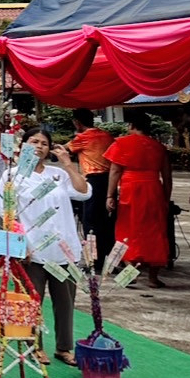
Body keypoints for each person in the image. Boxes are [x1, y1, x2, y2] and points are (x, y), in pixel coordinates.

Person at [6, 127, 88, 365]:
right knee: (32, 301)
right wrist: (22, 246)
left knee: (65, 302)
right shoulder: (12, 176)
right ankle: (34, 345)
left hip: (63, 250)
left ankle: (64, 347)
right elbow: (8, 214)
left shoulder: (58, 175)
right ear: (22, 145)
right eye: (34, 141)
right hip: (33, 252)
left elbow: (83, 192)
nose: (39, 146)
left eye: (44, 143)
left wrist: (68, 164)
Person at [106, 111, 172, 289]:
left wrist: (110, 195)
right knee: (155, 231)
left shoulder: (122, 143)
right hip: (153, 190)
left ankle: (130, 273)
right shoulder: (158, 147)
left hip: (131, 189)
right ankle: (153, 277)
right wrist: (166, 198)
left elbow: (115, 171)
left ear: (131, 126)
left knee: (128, 230)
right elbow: (167, 176)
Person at [70, 109, 115, 269]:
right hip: (110, 181)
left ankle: (93, 261)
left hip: (93, 181)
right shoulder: (106, 135)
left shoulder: (82, 137)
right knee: (106, 223)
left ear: (77, 122)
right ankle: (107, 258)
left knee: (90, 223)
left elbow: (60, 154)